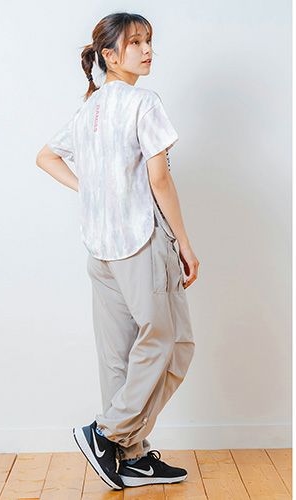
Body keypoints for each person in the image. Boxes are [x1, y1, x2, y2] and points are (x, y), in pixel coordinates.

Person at [36, 12, 199, 490]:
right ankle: (107, 433)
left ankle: (131, 456)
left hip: (100, 249)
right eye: (135, 43)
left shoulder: (90, 109)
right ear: (109, 55)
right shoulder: (143, 102)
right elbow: (159, 179)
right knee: (171, 344)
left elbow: (46, 156)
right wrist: (185, 244)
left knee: (119, 357)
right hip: (139, 241)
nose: (147, 51)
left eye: (149, 41)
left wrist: (90, 189)